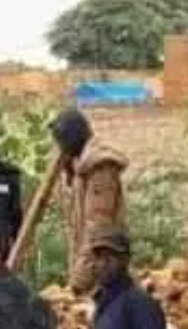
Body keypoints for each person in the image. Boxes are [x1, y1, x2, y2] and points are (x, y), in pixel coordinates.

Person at [50, 107, 129, 296]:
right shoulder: (83, 168)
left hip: (102, 275)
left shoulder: (100, 170)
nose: (61, 150)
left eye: (61, 143)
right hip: (93, 274)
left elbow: (97, 230)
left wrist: (78, 281)